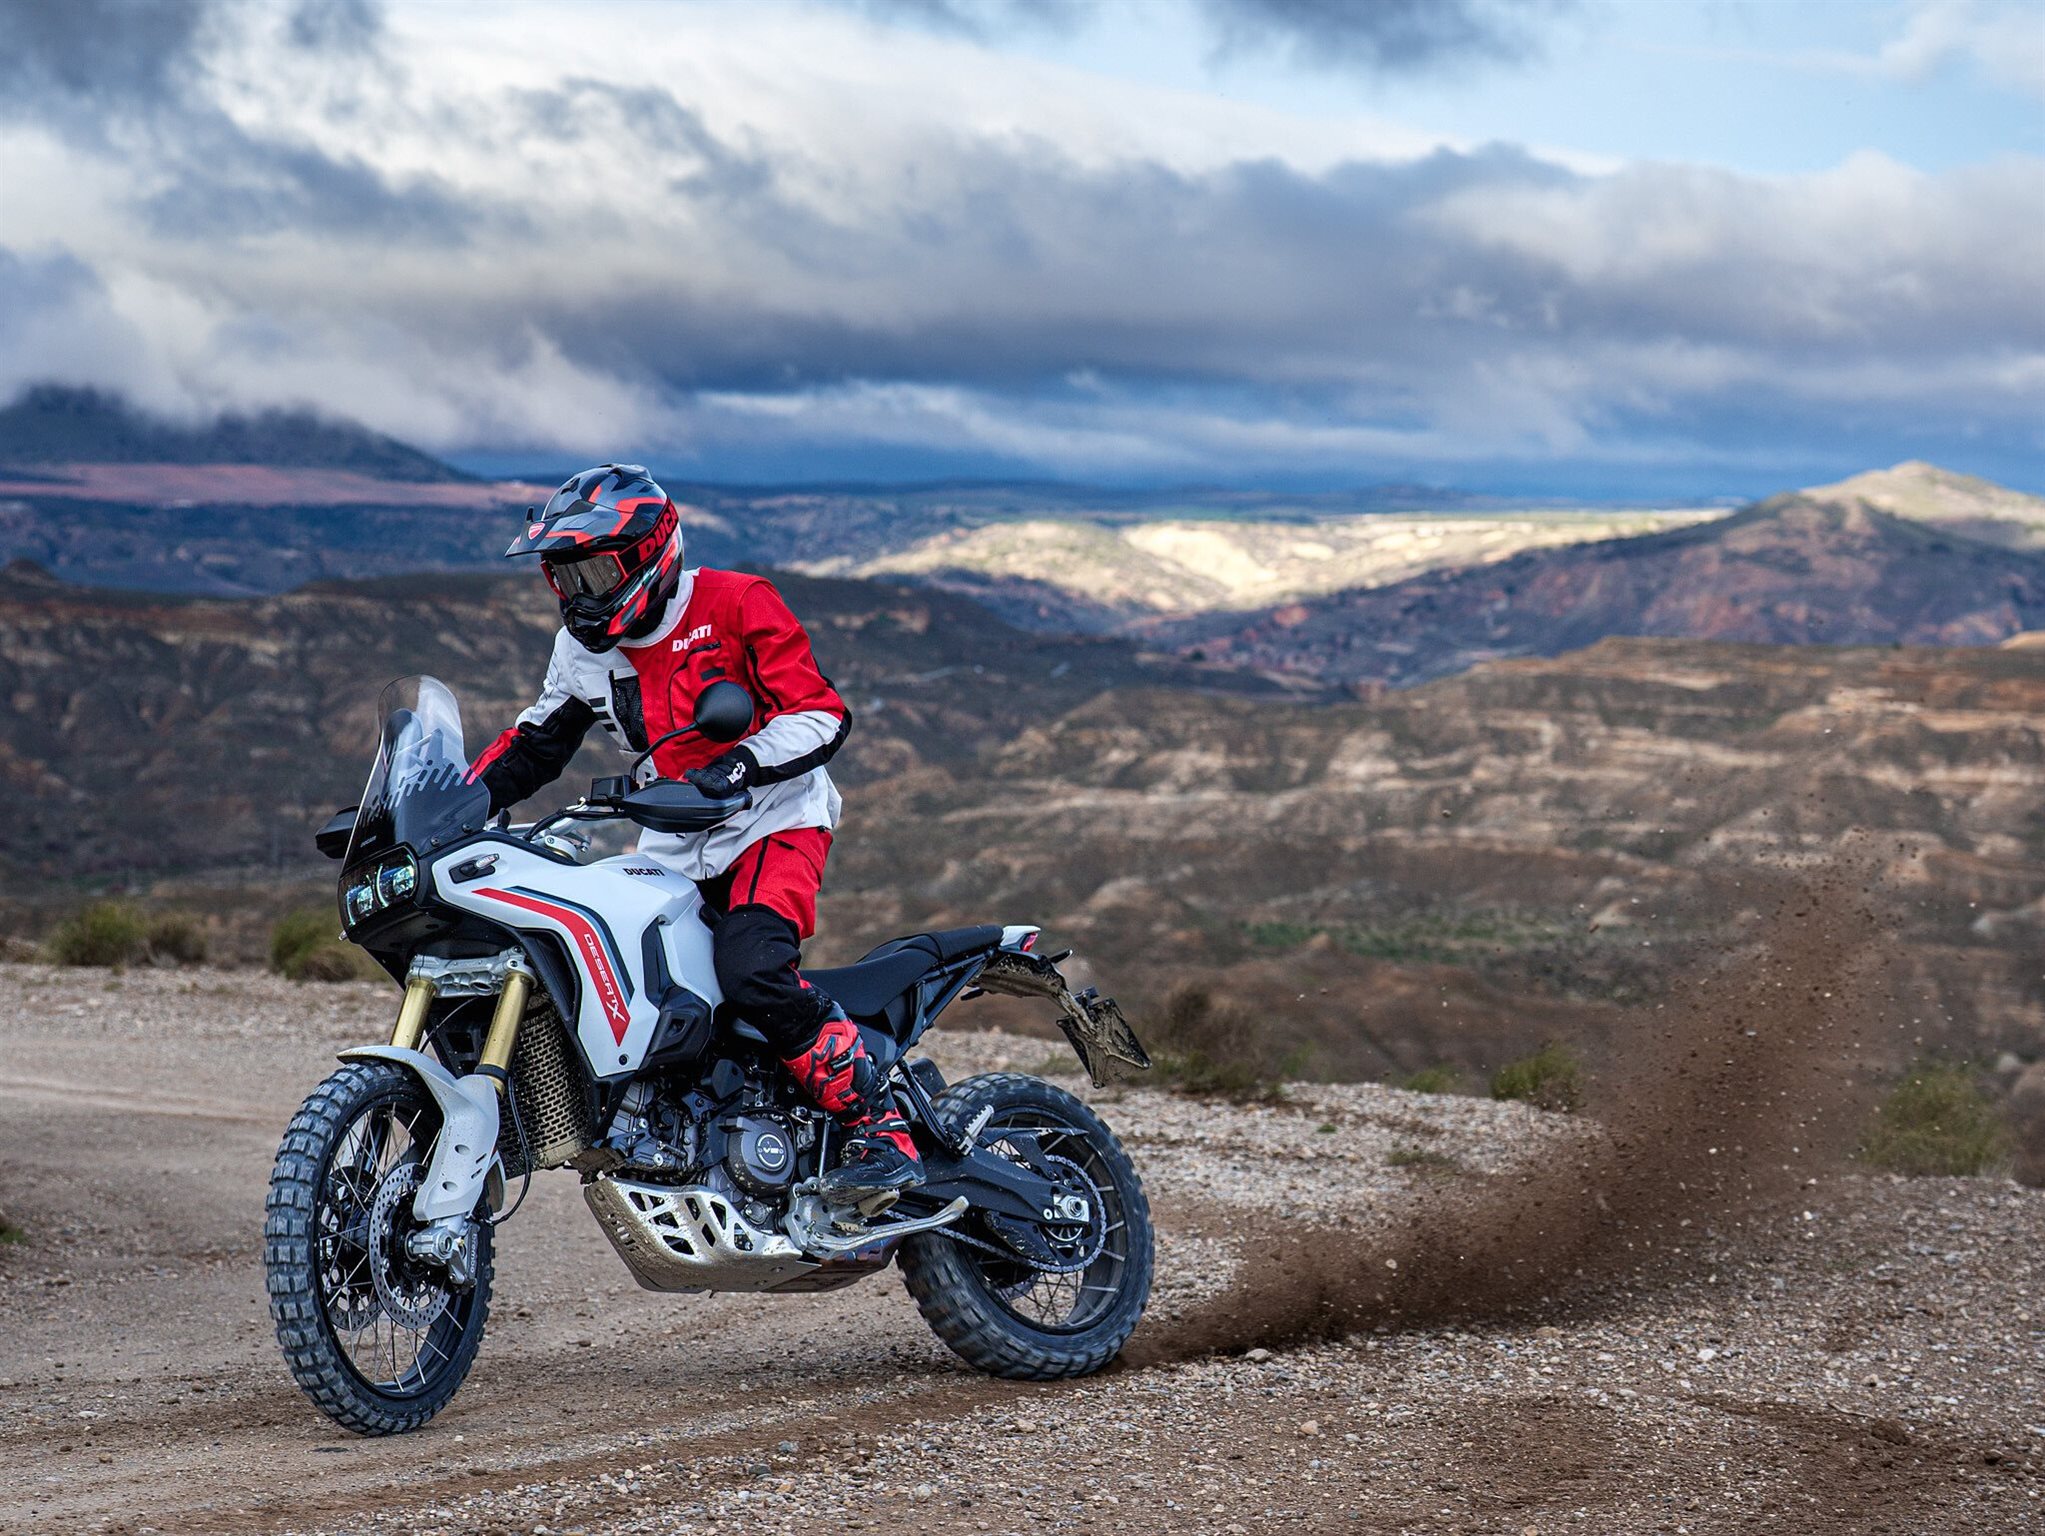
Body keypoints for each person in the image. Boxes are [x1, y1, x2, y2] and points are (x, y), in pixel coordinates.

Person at [468, 463, 921, 1206]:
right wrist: (445, 802)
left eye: (594, 572)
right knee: (634, 979)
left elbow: (820, 713)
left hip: (771, 819)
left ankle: (881, 1130)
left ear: (650, 553)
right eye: (566, 577)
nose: (580, 593)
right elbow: (535, 744)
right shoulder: (580, 651)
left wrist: (740, 764)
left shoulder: (736, 602)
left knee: (752, 971)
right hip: (671, 838)